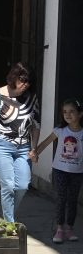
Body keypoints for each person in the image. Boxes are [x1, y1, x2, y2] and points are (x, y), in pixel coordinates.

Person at [0, 62, 40, 224]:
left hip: (24, 146)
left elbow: (36, 124)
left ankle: (7, 214)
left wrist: (34, 148)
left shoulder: (32, 97)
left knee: (23, 185)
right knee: (8, 185)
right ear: (14, 78)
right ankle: (9, 223)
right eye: (23, 80)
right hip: (2, 145)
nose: (26, 85)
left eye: (29, 81)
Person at [32, 97, 83, 243]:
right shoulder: (60, 130)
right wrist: (35, 153)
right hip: (60, 170)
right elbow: (46, 142)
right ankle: (59, 228)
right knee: (61, 199)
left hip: (77, 172)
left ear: (80, 114)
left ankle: (69, 228)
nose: (68, 115)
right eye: (65, 112)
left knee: (72, 200)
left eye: (72, 111)